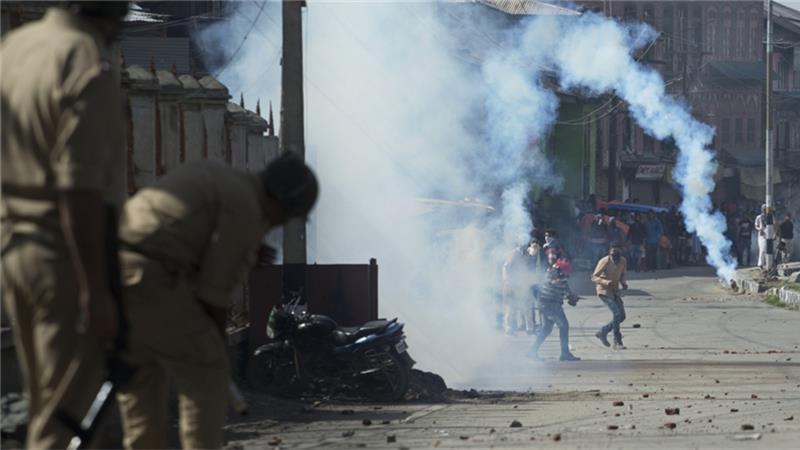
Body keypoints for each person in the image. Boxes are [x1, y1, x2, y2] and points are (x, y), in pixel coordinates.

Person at [115, 155, 319, 449]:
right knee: (208, 373)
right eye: (287, 216)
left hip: (116, 270)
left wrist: (247, 248)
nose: (280, 224)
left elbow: (187, 237)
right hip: (153, 280)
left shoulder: (219, 176)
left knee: (144, 381)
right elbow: (214, 295)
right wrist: (216, 346)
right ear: (281, 202)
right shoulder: (247, 208)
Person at [1, 3, 129, 448]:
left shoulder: (13, 48)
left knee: (42, 404)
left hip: (13, 251)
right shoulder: (84, 60)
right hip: (64, 259)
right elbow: (80, 189)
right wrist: (96, 289)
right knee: (64, 418)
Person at [526, 253, 580, 361]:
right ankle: (564, 353)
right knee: (564, 326)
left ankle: (532, 351)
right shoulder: (559, 274)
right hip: (551, 304)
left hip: (545, 303)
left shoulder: (552, 272)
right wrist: (572, 298)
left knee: (546, 329)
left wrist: (571, 296)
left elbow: (564, 288)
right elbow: (564, 288)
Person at [592, 242, 629, 350]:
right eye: (613, 251)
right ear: (610, 251)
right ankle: (617, 341)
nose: (615, 254)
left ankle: (603, 331)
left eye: (618, 251)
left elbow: (622, 274)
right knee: (616, 314)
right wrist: (605, 282)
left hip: (615, 291)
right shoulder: (604, 261)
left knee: (622, 316)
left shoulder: (623, 261)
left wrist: (623, 283)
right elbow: (594, 277)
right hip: (604, 291)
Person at [754, 204, 776, 269]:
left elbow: (775, 225)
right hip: (762, 235)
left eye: (765, 209)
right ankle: (760, 264)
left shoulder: (771, 216)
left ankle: (769, 263)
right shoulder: (759, 217)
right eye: (763, 209)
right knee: (762, 249)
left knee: (770, 249)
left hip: (769, 234)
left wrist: (775, 234)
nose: (764, 210)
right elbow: (756, 226)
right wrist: (759, 229)